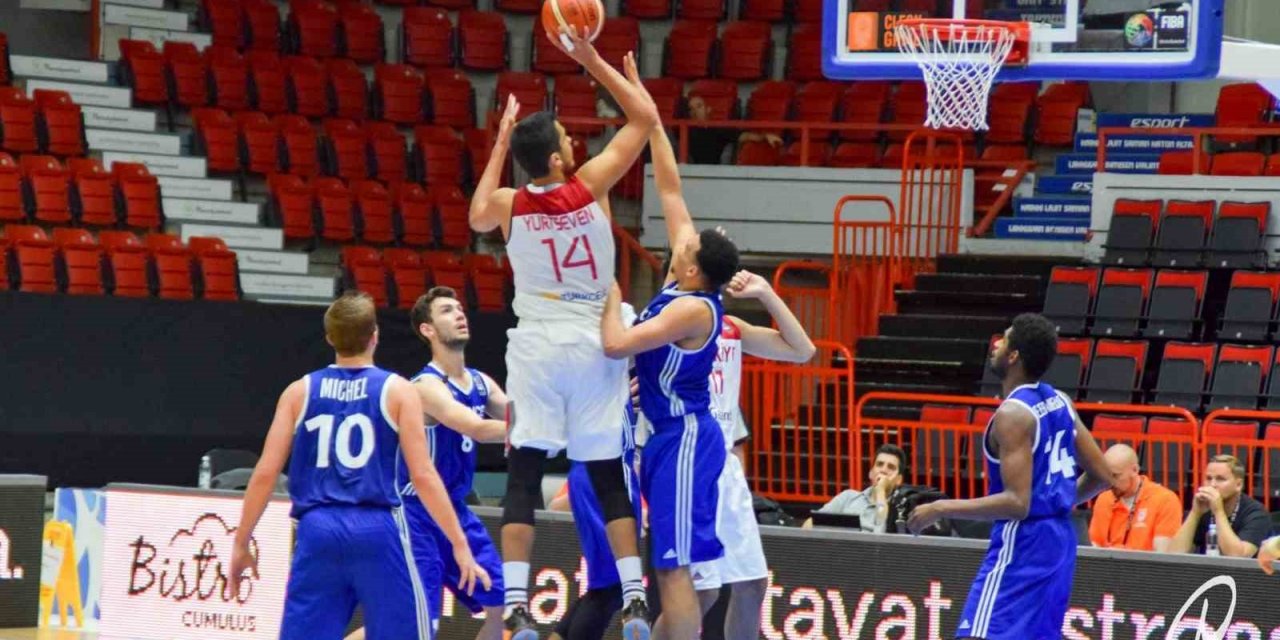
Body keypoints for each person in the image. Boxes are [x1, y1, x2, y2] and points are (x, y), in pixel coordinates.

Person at [468, 27, 659, 639]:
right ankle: (634, 599)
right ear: (555, 159)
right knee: (607, 476)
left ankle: (519, 606)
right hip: (590, 343)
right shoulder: (590, 185)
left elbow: (474, 215)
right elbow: (646, 116)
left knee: (523, 472)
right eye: (565, 139)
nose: (574, 141)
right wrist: (590, 58)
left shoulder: (508, 206)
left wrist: (499, 143)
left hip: (535, 347)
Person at [229, 291, 490, 640]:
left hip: (316, 529)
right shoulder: (398, 390)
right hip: (377, 528)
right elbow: (424, 476)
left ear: (329, 339)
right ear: (375, 336)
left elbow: (264, 473)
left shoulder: (299, 391)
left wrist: (241, 541)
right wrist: (459, 543)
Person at [601, 70, 741, 640]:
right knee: (669, 567)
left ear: (692, 267)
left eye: (687, 243)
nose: (681, 234)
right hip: (663, 436)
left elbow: (615, 343)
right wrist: (654, 120)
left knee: (672, 569)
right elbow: (671, 190)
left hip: (685, 437)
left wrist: (607, 290)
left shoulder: (691, 308)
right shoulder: (686, 283)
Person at [907, 313, 1112, 640]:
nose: (996, 344)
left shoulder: (1013, 414)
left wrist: (941, 507)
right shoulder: (1060, 401)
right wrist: (1053, 501)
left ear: (1014, 356)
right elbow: (1103, 475)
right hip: (1060, 539)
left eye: (1004, 339)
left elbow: (1017, 503)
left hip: (1024, 542)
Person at [345, 287, 510, 640]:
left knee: (503, 603)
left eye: (460, 308)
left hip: (455, 512)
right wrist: (541, 432)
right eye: (448, 311)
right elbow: (478, 428)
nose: (460, 314)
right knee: (412, 625)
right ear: (427, 330)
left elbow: (519, 414)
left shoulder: (481, 381)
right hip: (415, 514)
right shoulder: (425, 386)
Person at [690, 269, 816, 640]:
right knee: (702, 593)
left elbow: (803, 350)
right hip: (690, 461)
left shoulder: (731, 327)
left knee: (752, 584)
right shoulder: (670, 320)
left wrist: (766, 294)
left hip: (726, 468)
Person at [1169, 454, 1271, 557]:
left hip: (1244, 573)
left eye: (1220, 479)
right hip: (1206, 571)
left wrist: (1218, 511)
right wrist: (1195, 513)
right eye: (1208, 478)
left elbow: (1238, 557)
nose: (1212, 484)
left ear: (1238, 485)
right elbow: (1174, 555)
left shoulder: (1256, 513)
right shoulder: (1203, 508)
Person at [1087, 444, 1182, 552]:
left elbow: (1162, 554)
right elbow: (1094, 545)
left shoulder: (1165, 500)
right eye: (1107, 476)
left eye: (1116, 475)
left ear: (1135, 470)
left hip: (1143, 568)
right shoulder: (1104, 499)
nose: (1110, 482)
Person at [802, 444, 906, 533]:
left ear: (899, 480)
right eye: (879, 464)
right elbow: (810, 525)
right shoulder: (848, 497)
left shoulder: (899, 508)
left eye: (891, 467)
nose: (883, 470)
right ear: (870, 473)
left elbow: (880, 537)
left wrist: (880, 491)